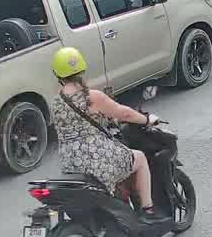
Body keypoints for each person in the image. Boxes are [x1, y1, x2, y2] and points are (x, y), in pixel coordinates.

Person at [49, 47, 163, 220]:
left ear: (57, 74)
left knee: (119, 158)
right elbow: (124, 113)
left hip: (70, 161)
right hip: (94, 157)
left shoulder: (56, 100)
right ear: (82, 69)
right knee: (139, 158)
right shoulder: (91, 96)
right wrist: (147, 120)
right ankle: (148, 210)